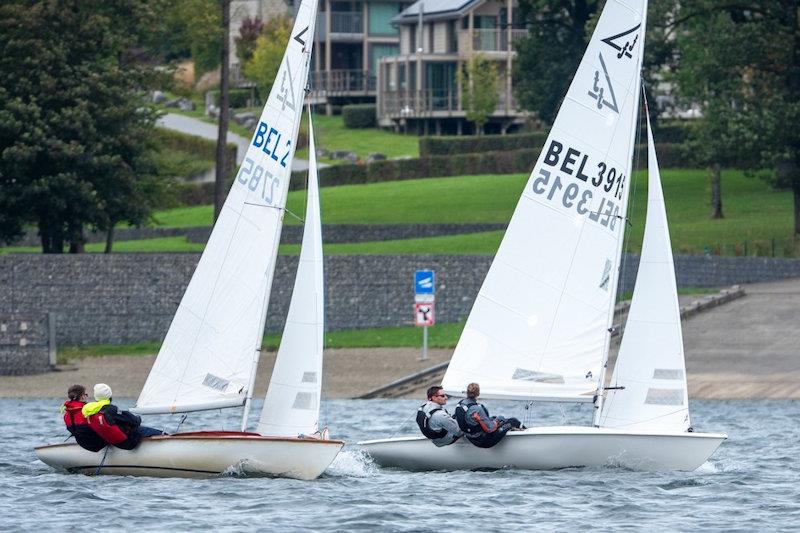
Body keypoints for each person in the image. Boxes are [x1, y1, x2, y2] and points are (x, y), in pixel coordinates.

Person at [82, 383, 165, 450]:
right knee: (155, 432)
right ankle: (166, 438)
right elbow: (135, 421)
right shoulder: (111, 410)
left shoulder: (90, 411)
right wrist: (138, 419)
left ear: (96, 397)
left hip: (113, 442)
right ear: (109, 396)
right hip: (128, 443)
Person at [455, 382, 523, 449]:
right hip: (484, 441)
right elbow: (490, 428)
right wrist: (497, 420)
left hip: (471, 438)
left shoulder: (460, 404)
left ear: (467, 392)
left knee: (493, 418)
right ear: (478, 393)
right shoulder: (478, 409)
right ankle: (523, 429)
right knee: (512, 421)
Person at [61, 384, 107, 452]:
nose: (86, 396)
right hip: (97, 443)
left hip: (82, 443)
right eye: (85, 394)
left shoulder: (67, 412)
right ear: (82, 396)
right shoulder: (88, 410)